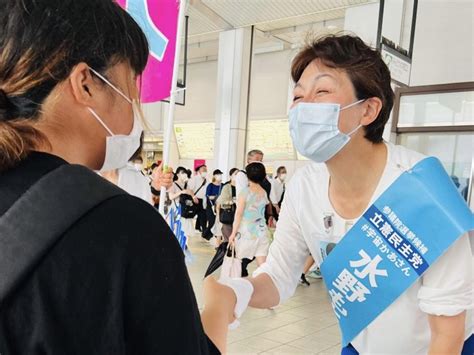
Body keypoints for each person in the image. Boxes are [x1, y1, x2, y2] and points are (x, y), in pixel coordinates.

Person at [216, 34, 474, 354]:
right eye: (297, 96)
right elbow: (279, 278)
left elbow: (447, 333)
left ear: (368, 110)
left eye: (321, 91)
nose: (302, 108)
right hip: (361, 345)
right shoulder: (304, 187)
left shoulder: (423, 189)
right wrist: (237, 292)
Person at [0, 1, 232, 353]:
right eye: (130, 88)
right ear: (86, 84)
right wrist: (218, 309)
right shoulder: (123, 228)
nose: (136, 109)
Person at [229, 163, 271, 269]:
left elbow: (239, 214)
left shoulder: (245, 192)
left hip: (246, 232)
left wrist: (233, 233)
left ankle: (237, 284)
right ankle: (264, 284)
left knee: (238, 262)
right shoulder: (264, 192)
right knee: (263, 265)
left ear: (248, 176)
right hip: (261, 231)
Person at [168, 167, 197, 239]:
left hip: (186, 210)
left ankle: (184, 246)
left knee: (186, 232)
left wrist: (193, 196)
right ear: (177, 174)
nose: (184, 174)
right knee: (177, 230)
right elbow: (171, 197)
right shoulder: (173, 184)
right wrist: (181, 192)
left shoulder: (187, 185)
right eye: (182, 173)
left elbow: (193, 197)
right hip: (177, 210)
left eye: (185, 173)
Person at [216, 168, 239, 243]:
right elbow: (223, 202)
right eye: (235, 174)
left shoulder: (242, 187)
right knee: (229, 239)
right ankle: (227, 252)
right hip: (228, 215)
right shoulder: (226, 187)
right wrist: (233, 201)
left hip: (239, 216)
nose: (237, 176)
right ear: (230, 176)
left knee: (237, 239)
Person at [203, 169, 223, 240]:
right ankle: (207, 235)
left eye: (220, 175)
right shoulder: (210, 185)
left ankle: (215, 238)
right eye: (218, 175)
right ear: (214, 176)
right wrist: (217, 196)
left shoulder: (223, 185)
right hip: (211, 206)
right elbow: (208, 196)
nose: (220, 176)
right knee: (212, 222)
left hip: (220, 207)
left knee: (218, 223)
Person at [190, 164, 209, 233]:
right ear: (199, 171)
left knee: (203, 215)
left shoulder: (207, 180)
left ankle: (203, 230)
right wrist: (193, 197)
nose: (205, 171)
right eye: (203, 170)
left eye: (206, 170)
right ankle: (195, 228)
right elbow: (190, 189)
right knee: (191, 215)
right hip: (195, 199)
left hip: (203, 200)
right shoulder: (195, 178)